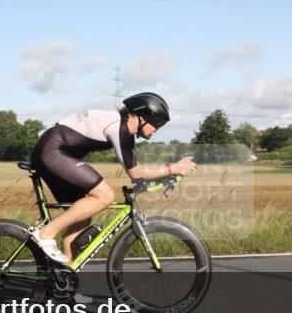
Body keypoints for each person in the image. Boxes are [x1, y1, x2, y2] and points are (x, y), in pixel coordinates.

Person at [31, 92, 196, 269]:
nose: (157, 129)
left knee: (81, 220)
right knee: (105, 195)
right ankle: (46, 234)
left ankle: (63, 283)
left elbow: (137, 169)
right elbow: (136, 173)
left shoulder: (125, 130)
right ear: (142, 117)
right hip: (53, 151)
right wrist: (174, 168)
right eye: (157, 124)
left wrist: (167, 176)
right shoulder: (119, 126)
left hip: (55, 152)